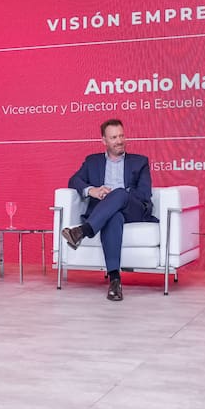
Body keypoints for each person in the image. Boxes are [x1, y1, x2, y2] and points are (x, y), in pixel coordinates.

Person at [61, 119, 156, 301]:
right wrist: (93, 191)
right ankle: (115, 280)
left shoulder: (140, 162)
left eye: (121, 135)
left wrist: (119, 195)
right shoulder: (92, 161)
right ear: (104, 141)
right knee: (113, 218)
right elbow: (74, 180)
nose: (119, 140)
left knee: (119, 193)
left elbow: (144, 193)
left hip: (133, 209)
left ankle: (84, 230)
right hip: (108, 212)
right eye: (114, 137)